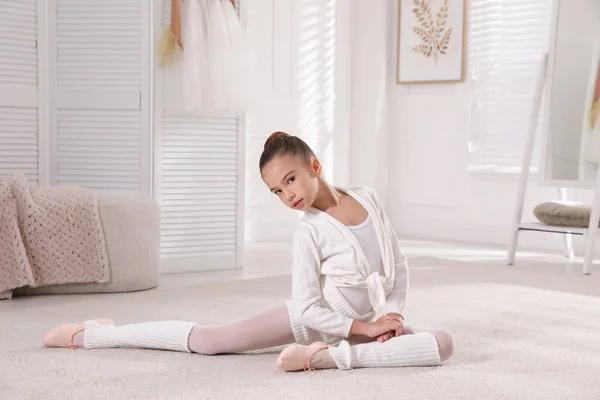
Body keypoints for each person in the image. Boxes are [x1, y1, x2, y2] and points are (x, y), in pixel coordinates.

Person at [42, 131, 454, 372]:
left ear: (315, 167)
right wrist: (364, 330)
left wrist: (394, 314)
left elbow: (396, 263)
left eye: (290, 180)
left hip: (372, 322)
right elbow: (308, 308)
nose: (287, 195)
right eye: (276, 191)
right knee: (211, 341)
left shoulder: (368, 197)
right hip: (318, 323)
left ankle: (330, 359)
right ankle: (95, 334)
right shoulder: (308, 233)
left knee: (443, 343)